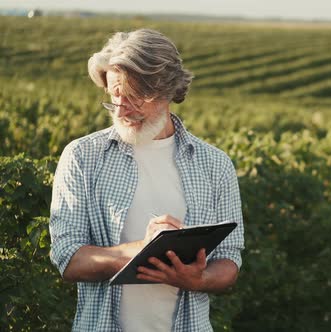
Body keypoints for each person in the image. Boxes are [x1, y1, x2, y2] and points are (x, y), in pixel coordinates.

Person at [49, 29, 244, 331]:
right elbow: (68, 259)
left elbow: (229, 261)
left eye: (136, 97)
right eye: (115, 95)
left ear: (167, 92)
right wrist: (143, 248)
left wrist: (199, 279)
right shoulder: (82, 157)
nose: (122, 108)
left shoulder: (214, 165)